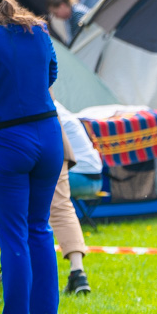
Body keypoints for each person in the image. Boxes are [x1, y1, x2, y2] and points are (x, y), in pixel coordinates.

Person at [0, 0, 63, 314]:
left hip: (8, 139)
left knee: (12, 233)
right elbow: (52, 73)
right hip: (49, 134)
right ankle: (46, 313)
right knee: (39, 226)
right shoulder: (37, 28)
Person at [53, 100, 102, 294]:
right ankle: (77, 272)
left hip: (77, 172)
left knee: (10, 201)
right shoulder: (49, 97)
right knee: (61, 208)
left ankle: (10, 264)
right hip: (92, 174)